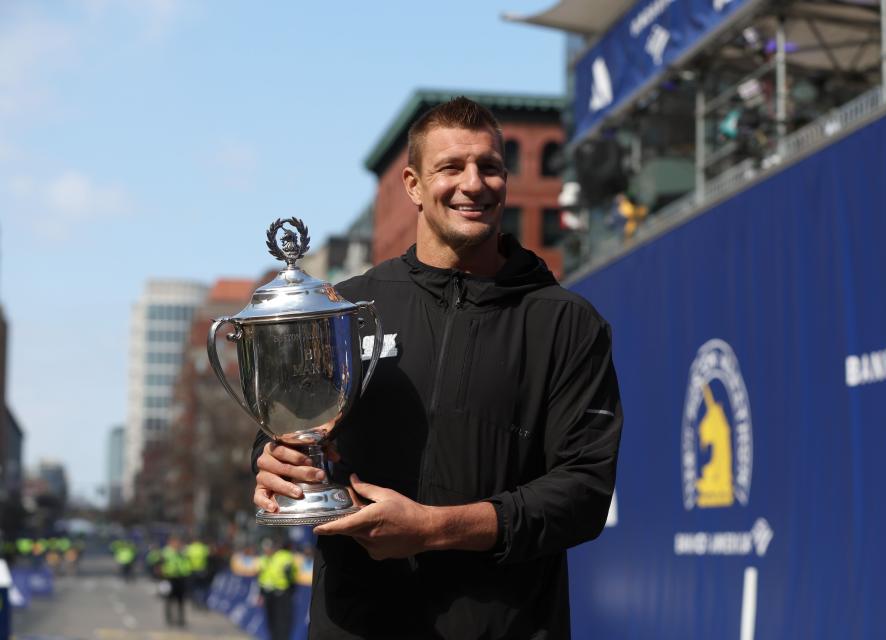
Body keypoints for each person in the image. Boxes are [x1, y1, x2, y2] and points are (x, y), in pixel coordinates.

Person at [252, 97, 622, 639]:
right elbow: (288, 425)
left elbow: (584, 494)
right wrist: (270, 463)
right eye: (450, 167)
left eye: (490, 167)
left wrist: (433, 529)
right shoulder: (347, 309)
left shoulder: (567, 323)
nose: (473, 184)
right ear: (413, 185)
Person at [257, 539, 298, 640]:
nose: (267, 551)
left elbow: (290, 574)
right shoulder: (265, 559)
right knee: (272, 620)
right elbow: (263, 577)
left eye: (269, 548)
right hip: (269, 594)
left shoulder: (284, 556)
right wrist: (261, 593)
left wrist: (290, 588)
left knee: (282, 621)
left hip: (282, 594)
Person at [160, 536, 192, 627]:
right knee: (169, 599)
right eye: (174, 542)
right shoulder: (166, 552)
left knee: (181, 600)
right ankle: (169, 618)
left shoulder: (183, 551)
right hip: (170, 578)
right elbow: (161, 564)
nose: (176, 544)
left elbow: (187, 563)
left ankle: (181, 619)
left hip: (181, 578)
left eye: (177, 542)